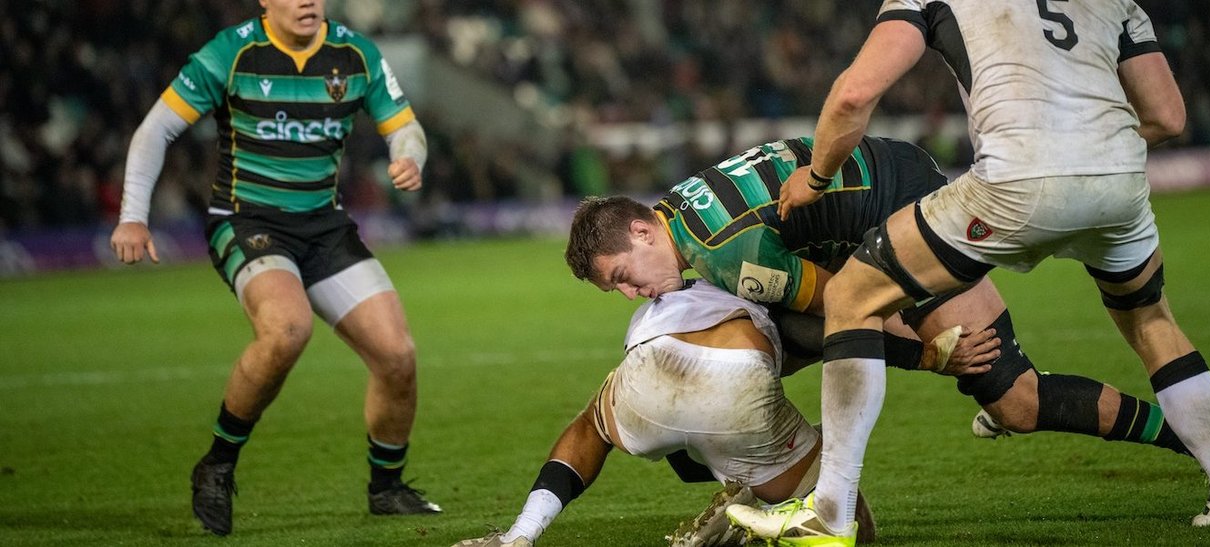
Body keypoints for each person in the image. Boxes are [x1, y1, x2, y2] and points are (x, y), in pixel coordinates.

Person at [726, 1, 1210, 546]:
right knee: (1153, 322)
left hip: (1014, 182)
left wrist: (816, 177)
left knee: (851, 294)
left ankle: (831, 514)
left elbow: (854, 93)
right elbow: (1168, 116)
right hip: (1118, 179)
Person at [563, 136, 1210, 535]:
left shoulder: (724, 254)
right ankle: (761, 489)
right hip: (871, 202)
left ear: (641, 229)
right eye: (617, 289)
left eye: (624, 274)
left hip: (906, 213)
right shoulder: (681, 213)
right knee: (757, 354)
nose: (632, 292)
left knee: (1016, 401)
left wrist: (933, 355)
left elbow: (847, 309)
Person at [109, 0, 439, 536]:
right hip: (246, 220)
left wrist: (409, 157)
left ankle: (387, 488)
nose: (308, 0)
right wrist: (132, 218)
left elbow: (405, 127)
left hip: (324, 227)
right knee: (287, 329)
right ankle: (217, 464)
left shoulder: (356, 54)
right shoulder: (232, 52)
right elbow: (155, 130)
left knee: (397, 355)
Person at [453, 280, 878, 547]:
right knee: (848, 516)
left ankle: (521, 534)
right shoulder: (771, 276)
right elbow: (837, 329)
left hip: (650, 370)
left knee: (593, 424)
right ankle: (752, 517)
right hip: (736, 383)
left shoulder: (673, 285)